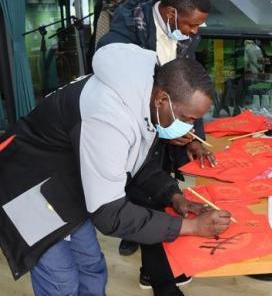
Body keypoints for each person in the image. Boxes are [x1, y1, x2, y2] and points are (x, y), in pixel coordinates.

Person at [0, 43, 232, 295]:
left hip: (67, 181)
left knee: (91, 266)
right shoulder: (108, 118)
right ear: (162, 99)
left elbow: (137, 162)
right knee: (61, 281)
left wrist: (174, 197)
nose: (190, 127)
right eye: (187, 118)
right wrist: (190, 227)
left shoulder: (146, 96)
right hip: (27, 187)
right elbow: (109, 214)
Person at [98, 0, 213, 291]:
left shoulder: (186, 34)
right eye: (192, 24)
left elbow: (189, 87)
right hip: (134, 128)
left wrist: (192, 137)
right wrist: (159, 124)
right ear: (172, 13)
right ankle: (158, 272)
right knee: (144, 199)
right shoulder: (125, 34)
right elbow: (125, 91)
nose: (195, 32)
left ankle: (155, 267)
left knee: (162, 194)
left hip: (160, 125)